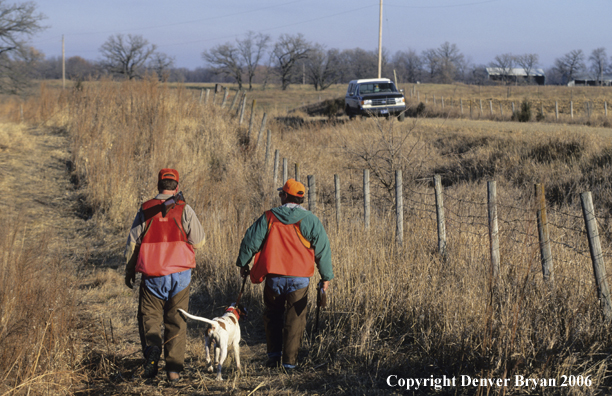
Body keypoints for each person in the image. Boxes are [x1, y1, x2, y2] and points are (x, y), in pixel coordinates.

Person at [236, 178, 333, 370]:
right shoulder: (311, 220)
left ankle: (273, 358)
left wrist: (243, 263)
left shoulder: (269, 217)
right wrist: (326, 277)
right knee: (294, 321)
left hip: (274, 278)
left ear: (285, 196)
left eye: (281, 193)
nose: (280, 196)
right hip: (300, 279)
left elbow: (250, 240)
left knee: (273, 315)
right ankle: (289, 364)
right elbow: (323, 250)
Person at [124, 168, 205, 382]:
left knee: (149, 316)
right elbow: (199, 241)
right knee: (176, 321)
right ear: (177, 187)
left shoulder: (146, 209)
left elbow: (132, 243)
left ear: (158, 185)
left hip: (153, 275)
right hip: (180, 275)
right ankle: (174, 372)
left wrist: (129, 270)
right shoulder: (184, 209)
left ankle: (152, 349)